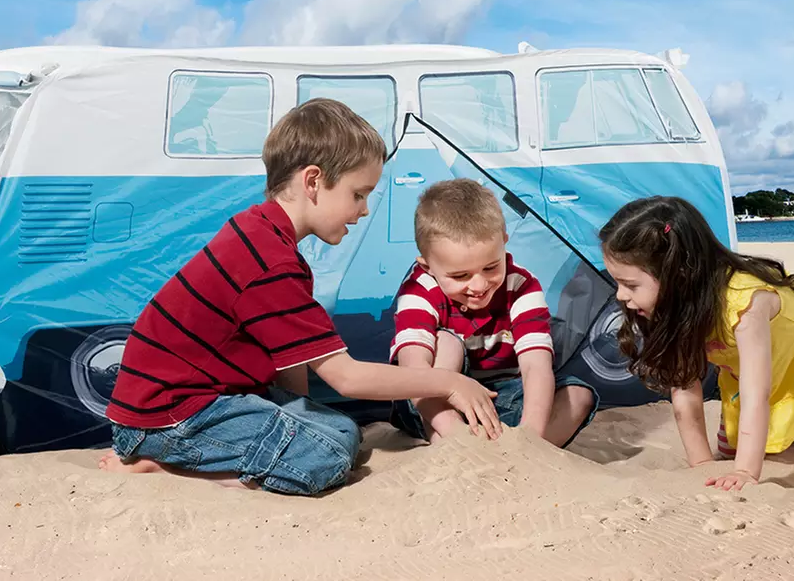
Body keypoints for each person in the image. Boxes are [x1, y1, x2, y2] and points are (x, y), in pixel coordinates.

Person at [98, 99, 502, 495]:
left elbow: (291, 364)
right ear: (313, 182)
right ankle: (166, 470)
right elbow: (345, 377)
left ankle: (183, 457)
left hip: (203, 400)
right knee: (328, 455)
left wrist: (302, 418)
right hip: (167, 416)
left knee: (342, 429)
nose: (362, 211)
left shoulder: (263, 234)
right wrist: (447, 383)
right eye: (358, 194)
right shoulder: (268, 260)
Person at [598, 195, 794, 491]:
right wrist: (701, 464)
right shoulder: (672, 305)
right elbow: (684, 389)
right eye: (617, 282)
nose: (620, 295)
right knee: (731, 448)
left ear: (678, 275)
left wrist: (747, 472)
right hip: (748, 364)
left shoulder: (745, 304)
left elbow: (755, 392)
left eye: (630, 285)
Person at [388, 179, 598, 447]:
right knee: (446, 343)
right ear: (428, 266)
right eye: (460, 275)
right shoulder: (419, 290)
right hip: (429, 401)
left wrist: (530, 433)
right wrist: (455, 432)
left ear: (504, 242)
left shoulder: (521, 286)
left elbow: (535, 366)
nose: (478, 285)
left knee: (579, 395)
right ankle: (448, 442)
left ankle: (526, 454)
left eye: (490, 267)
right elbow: (414, 370)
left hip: (500, 397)